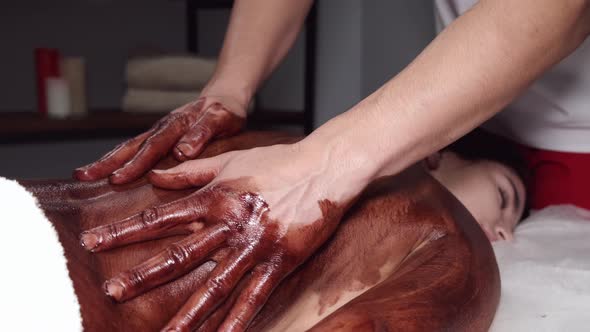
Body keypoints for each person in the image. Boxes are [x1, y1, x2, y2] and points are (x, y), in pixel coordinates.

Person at [71, 0, 588, 330]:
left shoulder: (454, 248)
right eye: (504, 198)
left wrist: (329, 161)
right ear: (434, 159)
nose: (506, 233)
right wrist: (230, 86)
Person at [9, 131, 502, 331]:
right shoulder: (448, 232)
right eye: (507, 197)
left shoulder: (263, 142)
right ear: (441, 151)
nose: (505, 230)